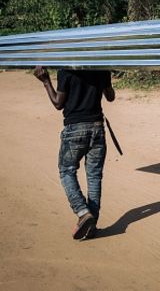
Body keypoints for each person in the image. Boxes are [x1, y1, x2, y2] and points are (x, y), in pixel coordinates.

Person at [34, 66, 115, 240]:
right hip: (97, 129)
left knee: (66, 171)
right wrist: (105, 78)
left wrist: (46, 81)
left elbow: (58, 103)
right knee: (94, 176)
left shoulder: (66, 70)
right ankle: (91, 224)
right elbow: (111, 97)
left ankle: (82, 211)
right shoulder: (102, 69)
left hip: (74, 130)